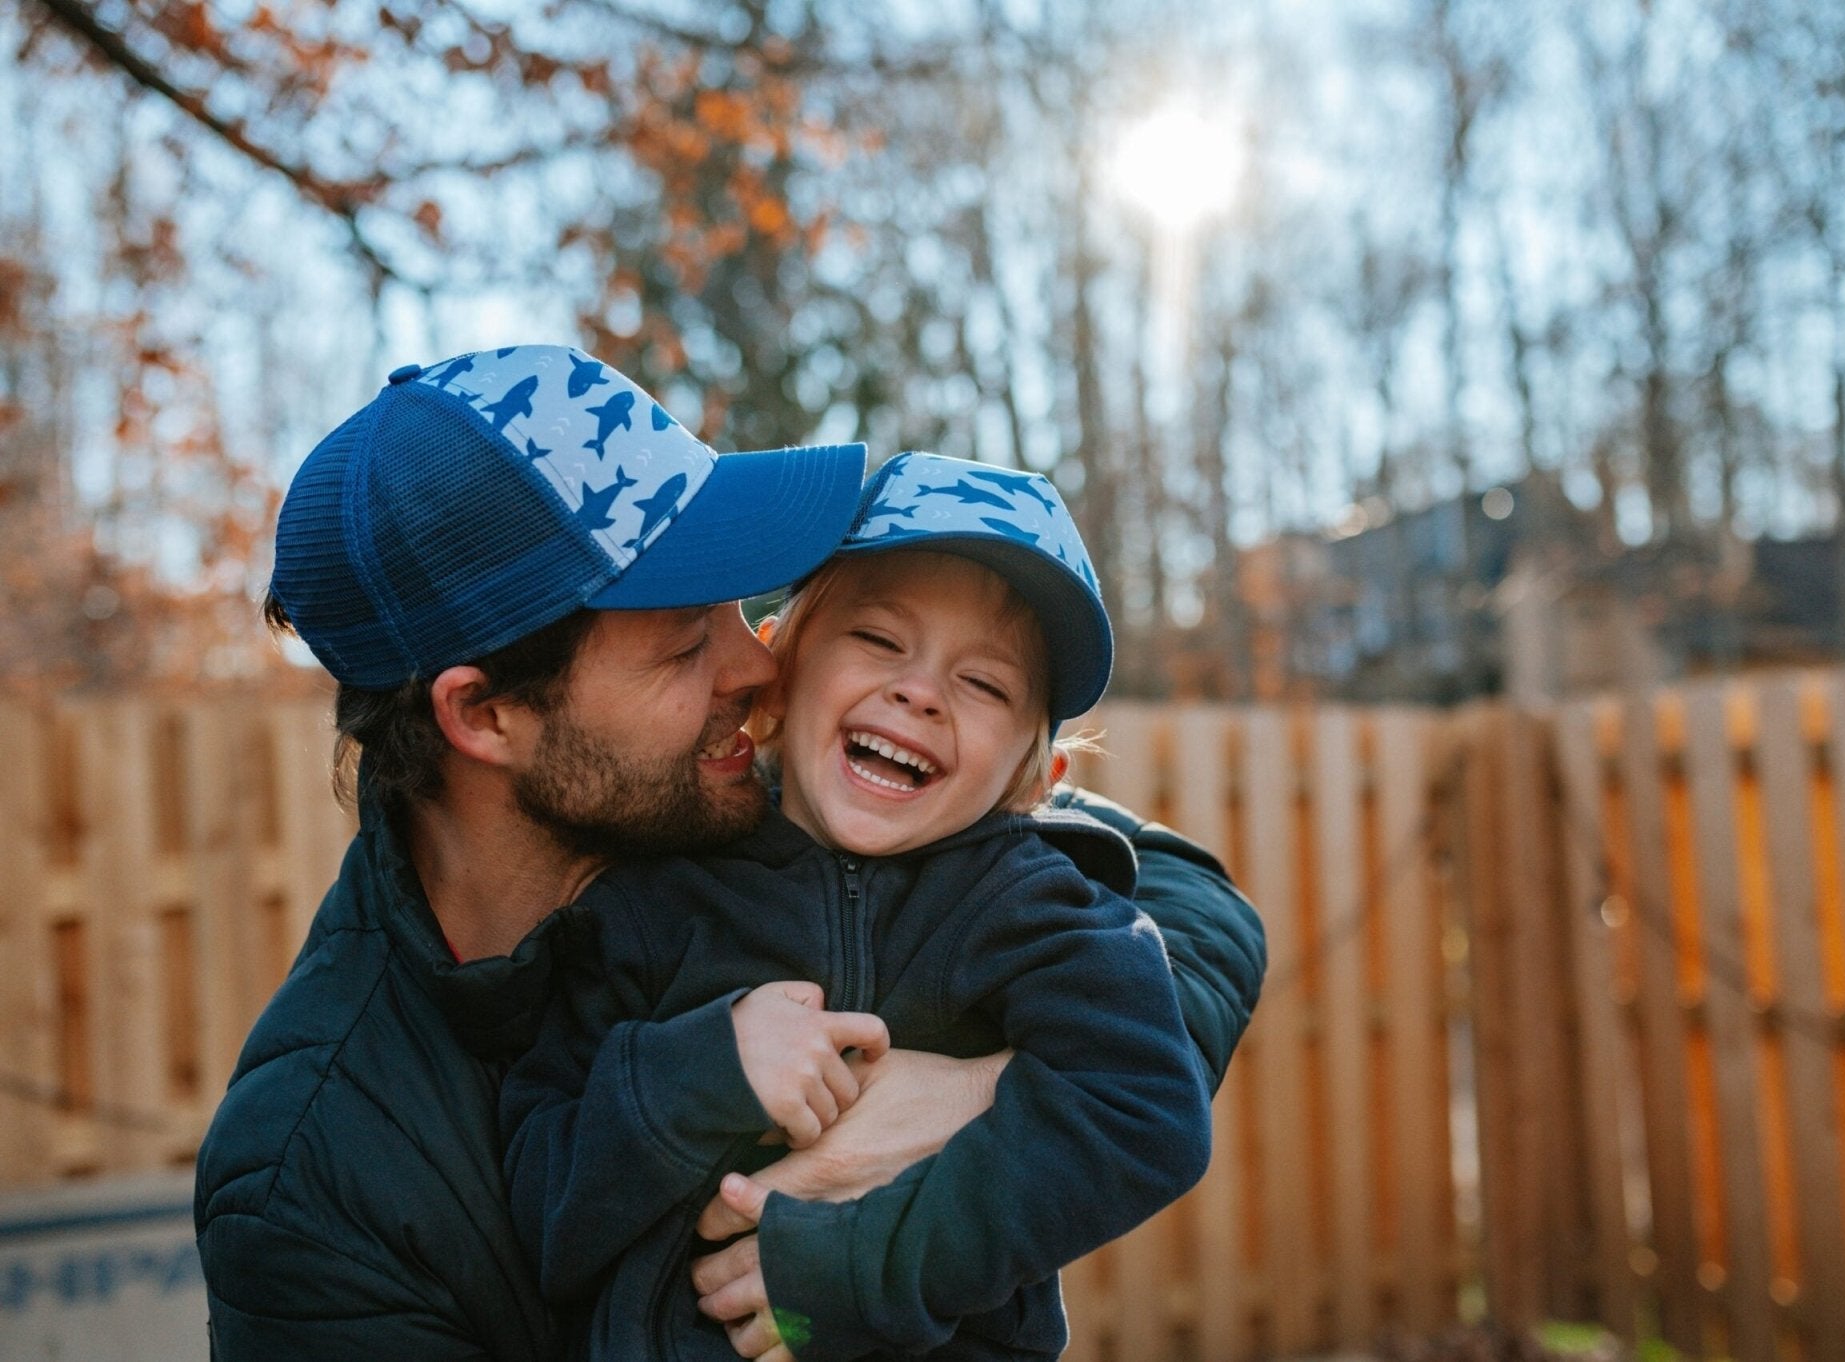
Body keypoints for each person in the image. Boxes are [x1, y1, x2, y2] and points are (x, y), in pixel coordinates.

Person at [192, 345, 1267, 1361]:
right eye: (680, 644)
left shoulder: (766, 809)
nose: (757, 666)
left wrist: (989, 1090)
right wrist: (703, 1082)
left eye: (739, 608)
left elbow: (1158, 882)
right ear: (486, 715)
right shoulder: (312, 1184)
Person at [501, 453, 1210, 1361]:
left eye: (986, 684)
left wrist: (866, 1270)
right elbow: (542, 1209)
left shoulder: (1036, 911)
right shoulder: (650, 896)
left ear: (1036, 779)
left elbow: (1147, 1112)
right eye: (879, 639)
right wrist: (703, 1070)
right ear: (778, 673)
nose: (920, 692)